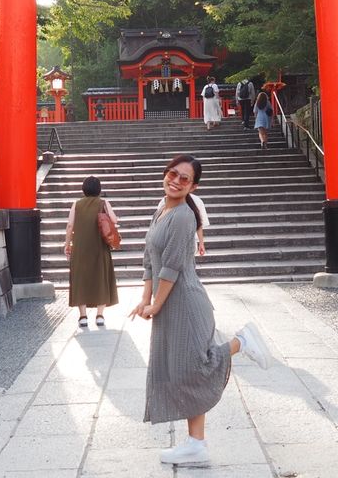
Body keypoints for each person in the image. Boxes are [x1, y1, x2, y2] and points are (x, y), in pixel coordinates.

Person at [129, 155, 273, 467]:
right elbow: (149, 259)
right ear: (165, 173)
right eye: (173, 174)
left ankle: (241, 342)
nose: (176, 181)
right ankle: (196, 444)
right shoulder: (162, 208)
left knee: (194, 368)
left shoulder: (182, 216)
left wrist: (156, 302)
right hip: (170, 304)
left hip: (185, 303)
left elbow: (172, 266)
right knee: (182, 373)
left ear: (193, 186)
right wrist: (145, 298)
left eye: (184, 179)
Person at [64, 176, 119, 327]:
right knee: (100, 276)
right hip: (99, 247)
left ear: (83, 189)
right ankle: (100, 315)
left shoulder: (76, 204)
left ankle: (83, 317)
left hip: (80, 247)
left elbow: (70, 226)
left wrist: (67, 244)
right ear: (99, 189)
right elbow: (114, 220)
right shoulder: (103, 203)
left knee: (80, 279)